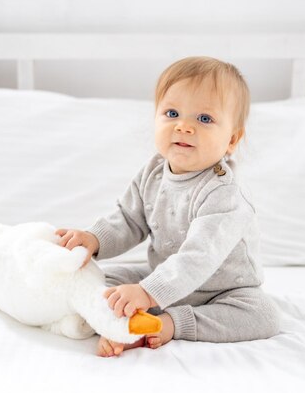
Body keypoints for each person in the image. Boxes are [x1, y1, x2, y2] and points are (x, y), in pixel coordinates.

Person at [56, 56, 280, 357]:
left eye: (204, 119)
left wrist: (148, 292)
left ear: (232, 139)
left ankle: (169, 324)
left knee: (263, 315)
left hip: (224, 291)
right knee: (102, 280)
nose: (184, 127)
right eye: (172, 113)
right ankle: (116, 323)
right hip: (162, 277)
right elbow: (127, 219)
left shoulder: (224, 193)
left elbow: (197, 257)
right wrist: (93, 239)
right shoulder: (154, 171)